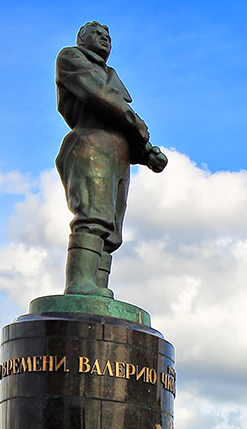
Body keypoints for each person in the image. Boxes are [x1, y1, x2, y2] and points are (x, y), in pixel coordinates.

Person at [55, 21, 168, 298]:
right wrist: (135, 122)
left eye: (108, 36)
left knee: (111, 230)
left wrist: (145, 152)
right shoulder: (72, 58)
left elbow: (121, 121)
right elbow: (99, 96)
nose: (104, 39)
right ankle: (79, 284)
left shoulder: (111, 74)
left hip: (117, 155)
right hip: (91, 145)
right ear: (81, 39)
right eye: (97, 34)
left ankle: (97, 287)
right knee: (93, 217)